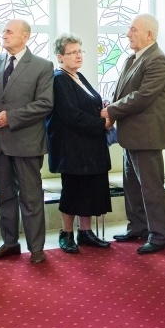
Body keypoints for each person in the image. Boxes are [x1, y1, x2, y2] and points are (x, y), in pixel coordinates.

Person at [0, 19, 54, 265]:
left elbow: (45, 104)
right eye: (3, 31)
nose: (4, 34)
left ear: (26, 36)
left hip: (27, 143)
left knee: (31, 198)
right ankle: (10, 244)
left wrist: (12, 117)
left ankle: (37, 249)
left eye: (9, 31)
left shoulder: (42, 66)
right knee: (4, 196)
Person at [102, 14, 165, 255]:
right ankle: (138, 227)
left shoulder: (158, 61)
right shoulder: (131, 59)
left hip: (147, 136)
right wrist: (110, 108)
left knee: (151, 188)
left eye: (133, 30)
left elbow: (143, 97)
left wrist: (111, 110)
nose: (128, 34)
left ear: (149, 35)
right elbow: (122, 92)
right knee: (132, 186)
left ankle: (159, 235)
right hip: (130, 134)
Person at [45, 33, 112, 254]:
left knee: (90, 191)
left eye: (80, 51)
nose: (78, 56)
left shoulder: (78, 77)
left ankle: (85, 232)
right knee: (73, 191)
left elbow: (90, 104)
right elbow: (71, 115)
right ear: (60, 57)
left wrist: (103, 110)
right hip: (71, 148)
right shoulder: (59, 79)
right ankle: (66, 233)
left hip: (90, 147)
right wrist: (102, 122)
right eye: (72, 52)